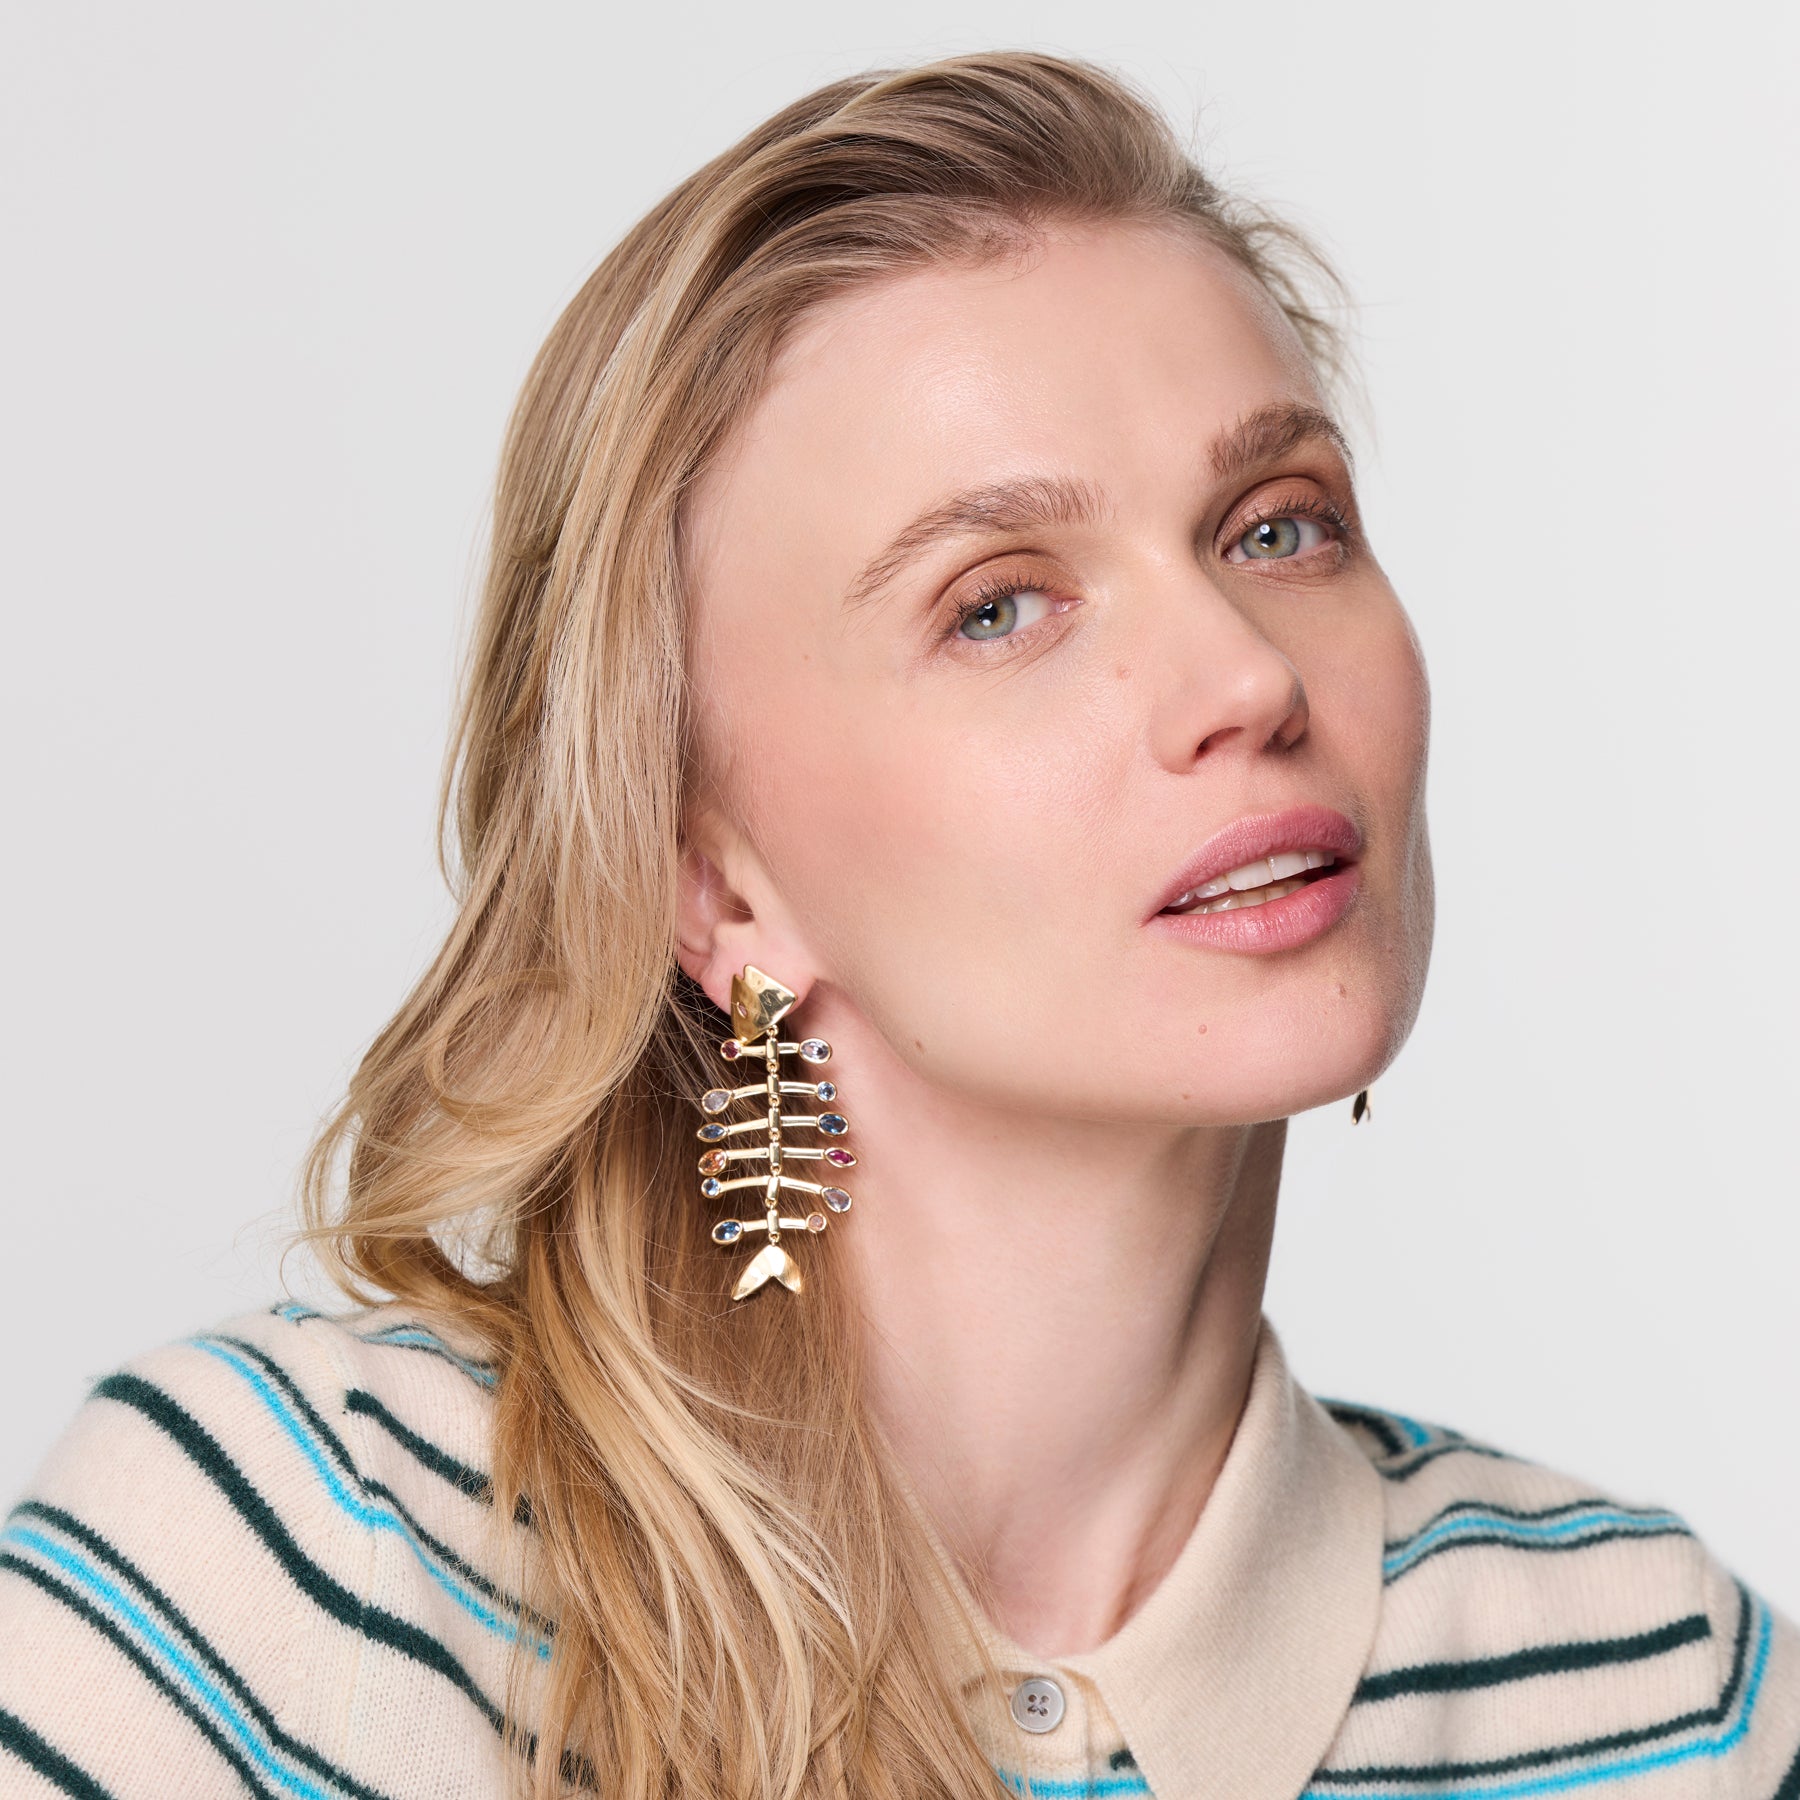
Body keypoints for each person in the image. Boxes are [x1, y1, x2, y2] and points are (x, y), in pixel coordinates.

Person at [1, 46, 1793, 1800]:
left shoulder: (1667, 1695)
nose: (1244, 679)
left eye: (1277, 527)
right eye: (1001, 607)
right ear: (714, 883)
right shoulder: (282, 1586)